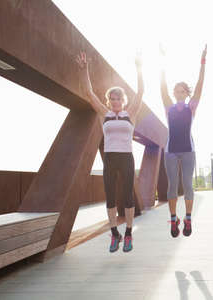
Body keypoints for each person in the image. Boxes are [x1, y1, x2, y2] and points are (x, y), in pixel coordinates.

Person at [76, 51, 143, 253]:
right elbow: (89, 92)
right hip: (110, 159)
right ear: (108, 100)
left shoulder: (129, 113)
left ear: (123, 100)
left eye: (118, 98)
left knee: (128, 197)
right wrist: (84, 68)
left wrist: (139, 69)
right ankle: (115, 234)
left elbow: (140, 93)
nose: (115, 101)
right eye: (112, 98)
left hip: (126, 158)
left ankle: (129, 233)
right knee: (111, 198)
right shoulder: (103, 114)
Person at [160, 44, 207, 237]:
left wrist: (202, 62)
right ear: (173, 94)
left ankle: (187, 218)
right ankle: (173, 219)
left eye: (182, 91)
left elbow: (200, 84)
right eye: (176, 91)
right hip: (171, 150)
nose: (179, 94)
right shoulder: (169, 107)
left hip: (188, 150)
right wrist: (162, 60)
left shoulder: (191, 107)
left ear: (187, 94)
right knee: (172, 185)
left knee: (187, 183)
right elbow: (161, 86)